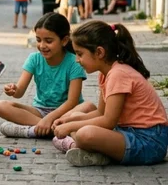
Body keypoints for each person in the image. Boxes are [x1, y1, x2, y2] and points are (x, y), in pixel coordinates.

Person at [52, 21, 168, 167]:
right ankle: (95, 150)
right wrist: (68, 122)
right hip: (127, 132)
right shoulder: (106, 74)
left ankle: (97, 153)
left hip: (150, 142)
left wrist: (70, 127)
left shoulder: (118, 74)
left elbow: (108, 121)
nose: (77, 60)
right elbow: (101, 113)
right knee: (74, 118)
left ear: (99, 52)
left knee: (84, 134)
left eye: (80, 54)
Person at [0, 13, 96, 138]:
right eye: (38, 40)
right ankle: (52, 129)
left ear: (64, 41)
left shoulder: (74, 62)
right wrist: (13, 89)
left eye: (48, 41)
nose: (42, 46)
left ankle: (33, 130)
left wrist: (50, 119)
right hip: (39, 112)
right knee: (1, 106)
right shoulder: (34, 59)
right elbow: (19, 92)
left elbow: (72, 102)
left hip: (67, 113)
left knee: (89, 107)